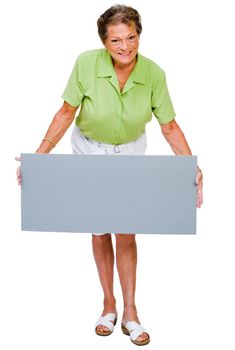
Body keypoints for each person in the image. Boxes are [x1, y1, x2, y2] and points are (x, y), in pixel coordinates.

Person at [15, 4, 203, 346]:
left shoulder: (154, 74)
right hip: (89, 150)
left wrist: (191, 166)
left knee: (126, 229)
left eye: (131, 37)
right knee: (99, 228)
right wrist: (38, 158)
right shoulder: (86, 63)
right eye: (116, 39)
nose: (125, 46)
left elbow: (169, 125)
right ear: (104, 42)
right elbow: (66, 111)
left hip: (130, 151)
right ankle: (108, 304)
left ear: (139, 36)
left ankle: (131, 312)